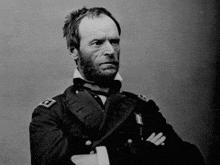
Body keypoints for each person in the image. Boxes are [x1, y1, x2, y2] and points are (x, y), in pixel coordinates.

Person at [29, 7, 205, 165]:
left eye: (114, 41)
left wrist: (96, 160)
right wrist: (140, 152)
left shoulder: (142, 107)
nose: (110, 51)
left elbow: (190, 158)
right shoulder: (51, 113)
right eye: (97, 43)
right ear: (74, 50)